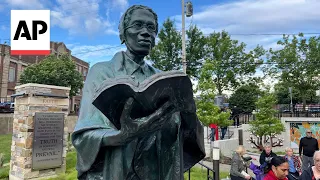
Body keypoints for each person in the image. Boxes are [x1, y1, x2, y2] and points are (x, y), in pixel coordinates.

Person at [71, 5, 205, 180]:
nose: (145, 32)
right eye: (137, 25)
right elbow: (85, 134)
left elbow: (187, 135)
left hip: (158, 170)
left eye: (151, 28)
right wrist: (121, 136)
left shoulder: (162, 79)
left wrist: (188, 114)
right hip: (121, 171)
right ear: (123, 33)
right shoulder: (102, 72)